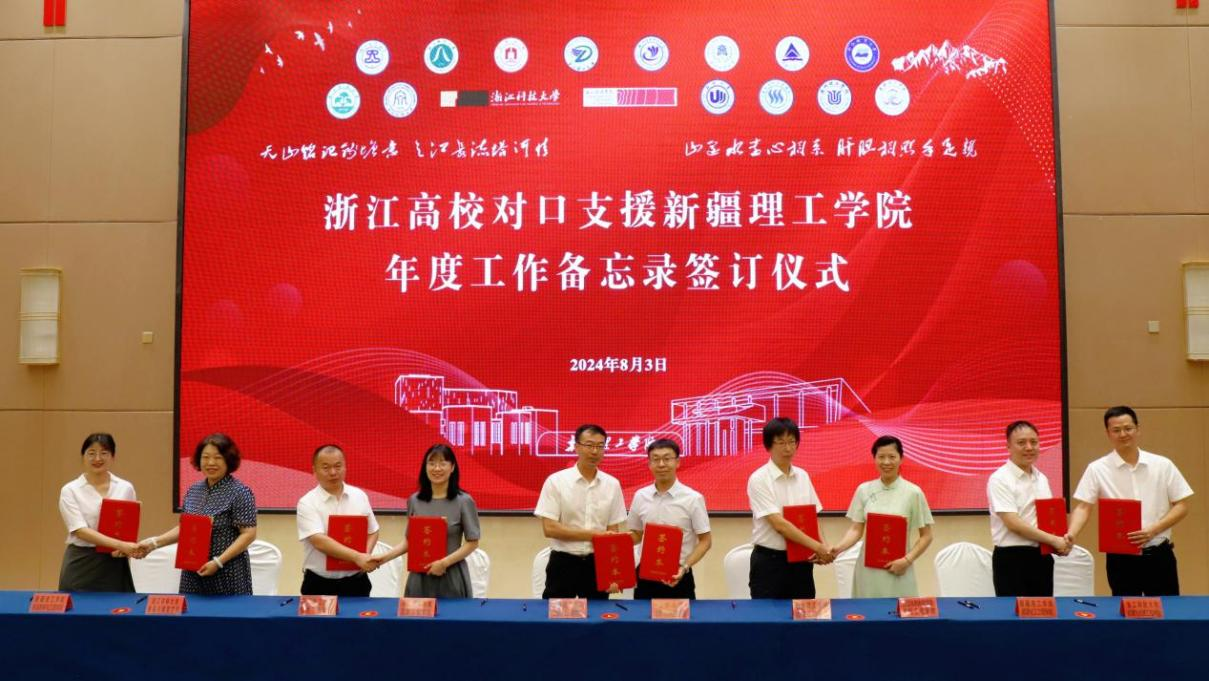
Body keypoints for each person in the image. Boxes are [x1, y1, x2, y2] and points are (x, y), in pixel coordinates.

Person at [1067, 406, 1193, 596]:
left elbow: (1182, 505)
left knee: (1166, 611)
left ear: (1137, 429)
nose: (1123, 434)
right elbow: (1084, 506)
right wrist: (1071, 534)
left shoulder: (1162, 465)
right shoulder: (1097, 468)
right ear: (1108, 433)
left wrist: (1153, 530)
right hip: (1120, 558)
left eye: (1128, 428)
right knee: (1125, 610)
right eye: (1116, 430)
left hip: (1159, 554)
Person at [140, 433, 258, 595]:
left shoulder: (240, 492)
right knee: (192, 610)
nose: (211, 463)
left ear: (228, 460)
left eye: (218, 457)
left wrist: (218, 562)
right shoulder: (194, 490)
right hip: (192, 571)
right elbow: (185, 528)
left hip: (227, 571)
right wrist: (154, 543)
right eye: (205, 457)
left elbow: (248, 534)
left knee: (226, 611)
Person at [832, 435, 934, 598]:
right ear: (874, 459)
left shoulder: (913, 492)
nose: (886, 462)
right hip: (868, 570)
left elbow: (926, 536)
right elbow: (856, 530)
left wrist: (907, 560)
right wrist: (838, 549)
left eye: (892, 457)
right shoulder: (864, 490)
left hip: (899, 568)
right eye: (881, 457)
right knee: (866, 611)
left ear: (901, 458)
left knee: (899, 612)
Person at [534, 424, 627, 599]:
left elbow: (613, 532)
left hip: (597, 564)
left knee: (597, 615)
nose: (594, 451)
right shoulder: (556, 481)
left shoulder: (612, 485)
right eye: (589, 445)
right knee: (558, 614)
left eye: (600, 446)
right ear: (576, 447)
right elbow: (550, 529)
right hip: (563, 563)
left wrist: (614, 572)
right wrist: (595, 535)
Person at [376, 444, 481, 597]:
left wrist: (444, 563)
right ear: (425, 467)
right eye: (431, 463)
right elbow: (410, 541)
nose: (436, 468)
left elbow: (472, 542)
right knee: (416, 613)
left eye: (442, 463)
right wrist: (383, 558)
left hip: (451, 575)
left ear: (452, 467)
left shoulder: (464, 501)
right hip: (419, 577)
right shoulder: (414, 500)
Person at [746, 417, 833, 599]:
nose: (788, 448)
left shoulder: (803, 476)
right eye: (781, 442)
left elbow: (812, 517)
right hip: (770, 563)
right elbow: (779, 525)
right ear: (769, 445)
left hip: (802, 561)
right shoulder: (759, 479)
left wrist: (824, 547)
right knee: (769, 616)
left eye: (792, 442)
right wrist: (818, 547)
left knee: (805, 613)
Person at [987, 420, 1070, 597]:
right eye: (1021, 443)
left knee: (1043, 611)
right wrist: (1054, 540)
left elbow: (1048, 518)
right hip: (1011, 559)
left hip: (1042, 557)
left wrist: (1059, 543)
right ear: (1008, 446)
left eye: (1034, 442)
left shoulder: (1042, 478)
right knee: (1012, 613)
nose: (1029, 447)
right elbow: (1013, 523)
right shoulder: (1000, 479)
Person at [626, 438, 712, 600]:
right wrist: (614, 540)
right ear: (649, 464)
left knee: (680, 618)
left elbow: (705, 541)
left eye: (667, 458)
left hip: (679, 575)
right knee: (642, 616)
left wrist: (684, 567)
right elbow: (636, 535)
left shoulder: (693, 498)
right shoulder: (640, 496)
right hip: (645, 577)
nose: (661, 464)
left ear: (677, 462)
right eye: (656, 459)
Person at [57, 433, 141, 592]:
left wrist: (123, 549)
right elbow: (79, 530)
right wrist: (121, 545)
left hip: (115, 563)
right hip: (82, 561)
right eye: (91, 453)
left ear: (113, 457)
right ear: (83, 457)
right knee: (78, 607)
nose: (97, 458)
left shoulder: (125, 488)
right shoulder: (70, 490)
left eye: (104, 453)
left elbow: (127, 526)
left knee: (117, 606)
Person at [295, 444, 381, 596]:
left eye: (338, 466)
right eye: (326, 467)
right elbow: (319, 541)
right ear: (314, 470)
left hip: (356, 582)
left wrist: (365, 556)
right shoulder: (307, 502)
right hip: (319, 583)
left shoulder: (359, 496)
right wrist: (357, 557)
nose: (333, 472)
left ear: (345, 467)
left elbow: (373, 531)